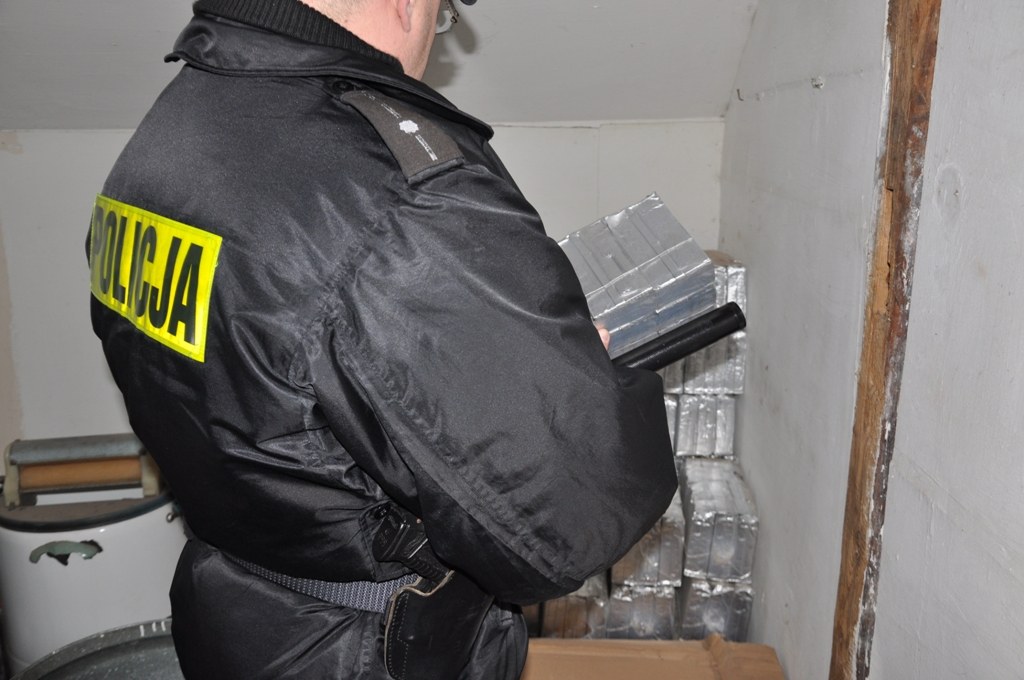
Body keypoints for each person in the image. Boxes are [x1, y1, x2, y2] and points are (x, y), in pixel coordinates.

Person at [87, 0, 677, 677]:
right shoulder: (393, 193)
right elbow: (568, 523)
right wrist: (572, 384)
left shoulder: (175, 126)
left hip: (236, 619)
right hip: (368, 648)